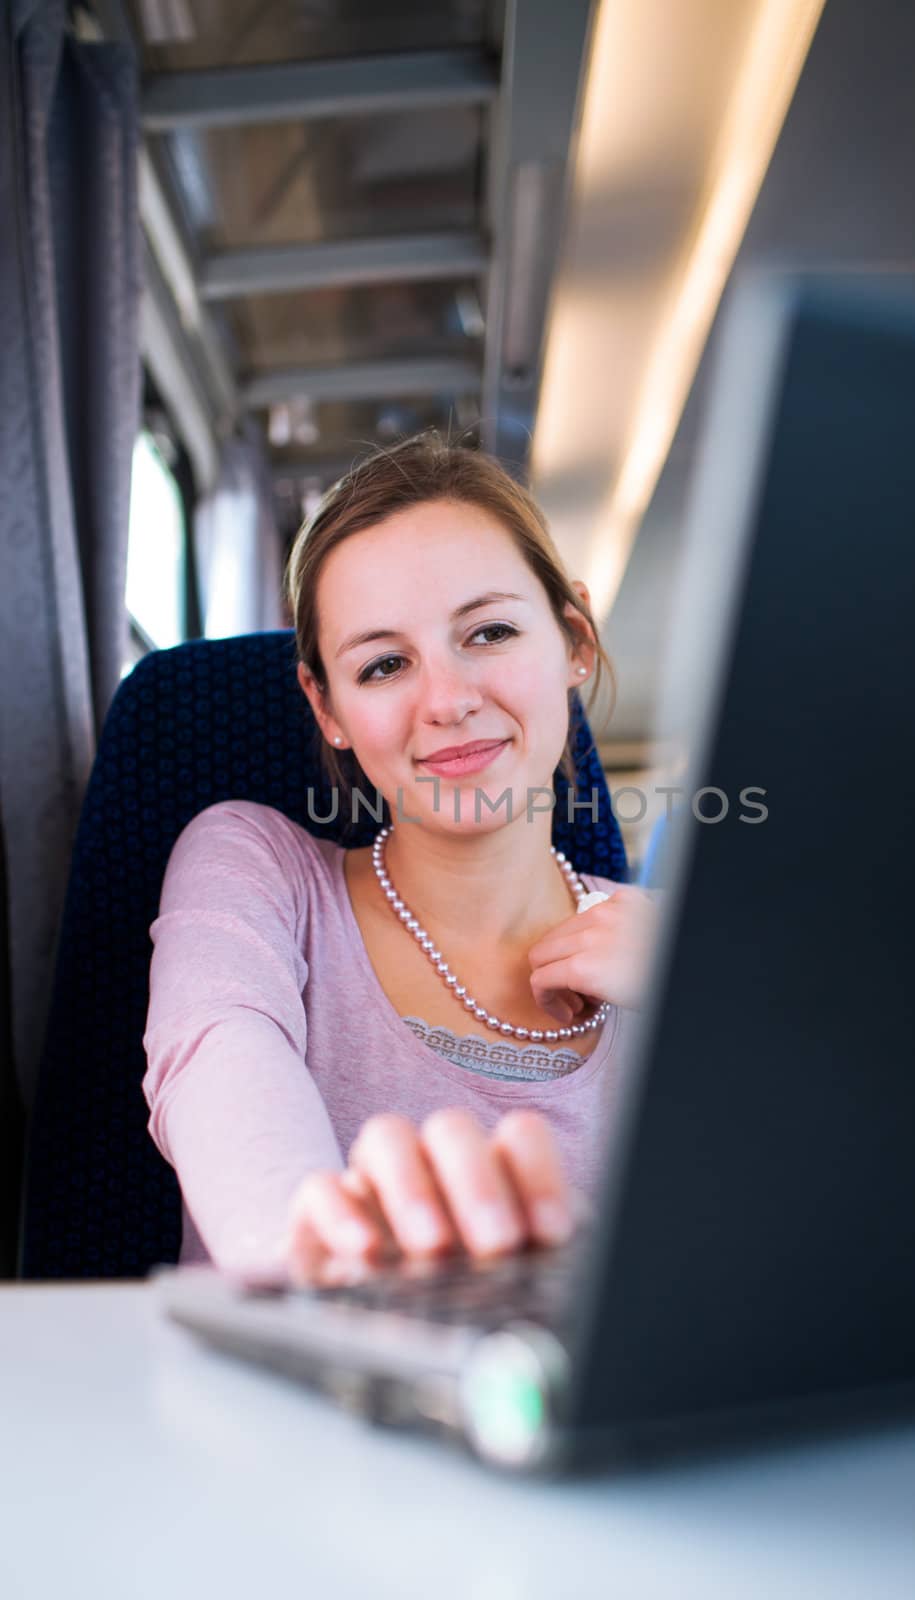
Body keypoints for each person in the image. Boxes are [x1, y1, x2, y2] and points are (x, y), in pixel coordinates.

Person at [143, 434, 659, 1286]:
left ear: (573, 641)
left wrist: (707, 1021)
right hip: (297, 1405)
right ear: (327, 705)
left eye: (489, 632)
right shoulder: (257, 868)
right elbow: (222, 1084)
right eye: (383, 665)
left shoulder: (688, 950)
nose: (448, 701)